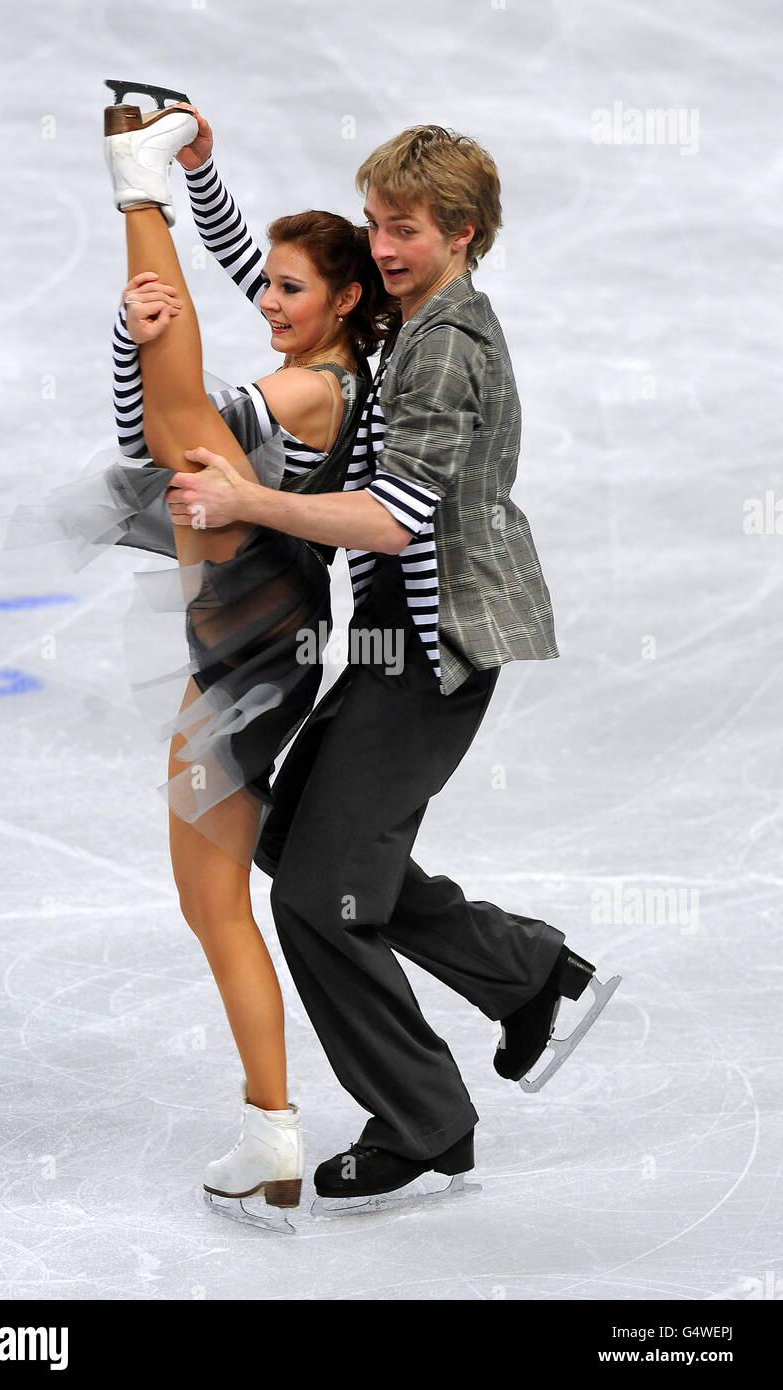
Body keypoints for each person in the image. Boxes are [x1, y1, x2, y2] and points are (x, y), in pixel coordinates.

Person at [169, 123, 621, 1205]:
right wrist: (197, 177)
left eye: (403, 229)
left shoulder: (443, 350)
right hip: (390, 648)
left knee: (320, 897)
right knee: (296, 844)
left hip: (433, 654)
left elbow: (386, 516)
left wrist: (244, 500)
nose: (379, 246)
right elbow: (276, 282)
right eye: (372, 224)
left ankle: (425, 1116)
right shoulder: (405, 309)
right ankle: (523, 970)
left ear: (459, 235)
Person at [7, 84, 397, 1222]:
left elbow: (182, 421)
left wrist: (149, 290)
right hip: (245, 638)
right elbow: (150, 430)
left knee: (215, 900)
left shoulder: (321, 390)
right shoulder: (317, 355)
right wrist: (186, 209)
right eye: (265, 285)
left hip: (254, 645)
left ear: (343, 304)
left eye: (291, 289)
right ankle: (266, 1124)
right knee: (211, 898)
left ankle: (270, 1125)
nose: (269, 300)